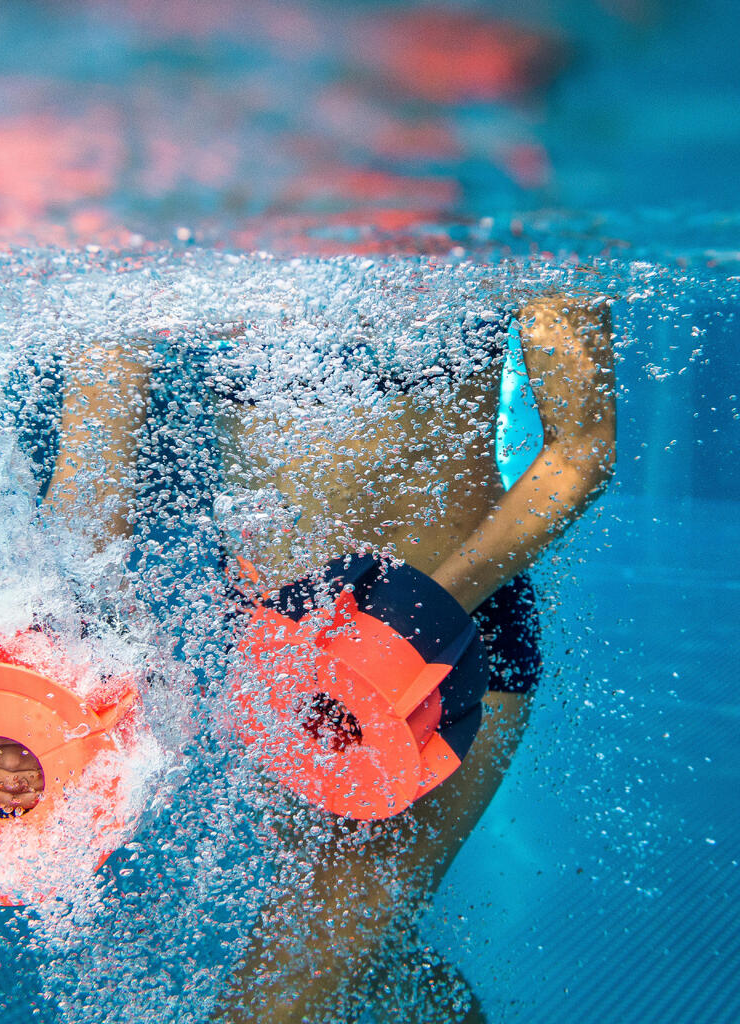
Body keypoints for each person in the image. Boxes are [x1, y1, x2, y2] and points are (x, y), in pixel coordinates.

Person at [42, 286, 616, 1022]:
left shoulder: (505, 204)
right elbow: (90, 491)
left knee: (280, 995)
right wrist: (25, 643)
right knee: (367, 955)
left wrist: (419, 617)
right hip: (284, 669)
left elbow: (583, 448)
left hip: (444, 661)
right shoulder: (162, 218)